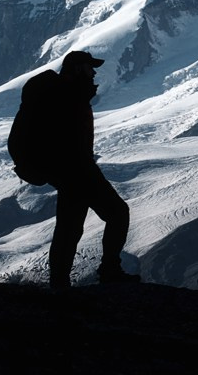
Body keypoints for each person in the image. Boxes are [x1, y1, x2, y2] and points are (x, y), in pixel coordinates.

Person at [35, 50, 136, 290]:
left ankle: (59, 284)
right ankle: (109, 270)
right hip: (77, 169)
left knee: (68, 228)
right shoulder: (71, 94)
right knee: (118, 213)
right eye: (90, 67)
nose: (94, 72)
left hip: (66, 171)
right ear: (79, 68)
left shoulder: (64, 93)